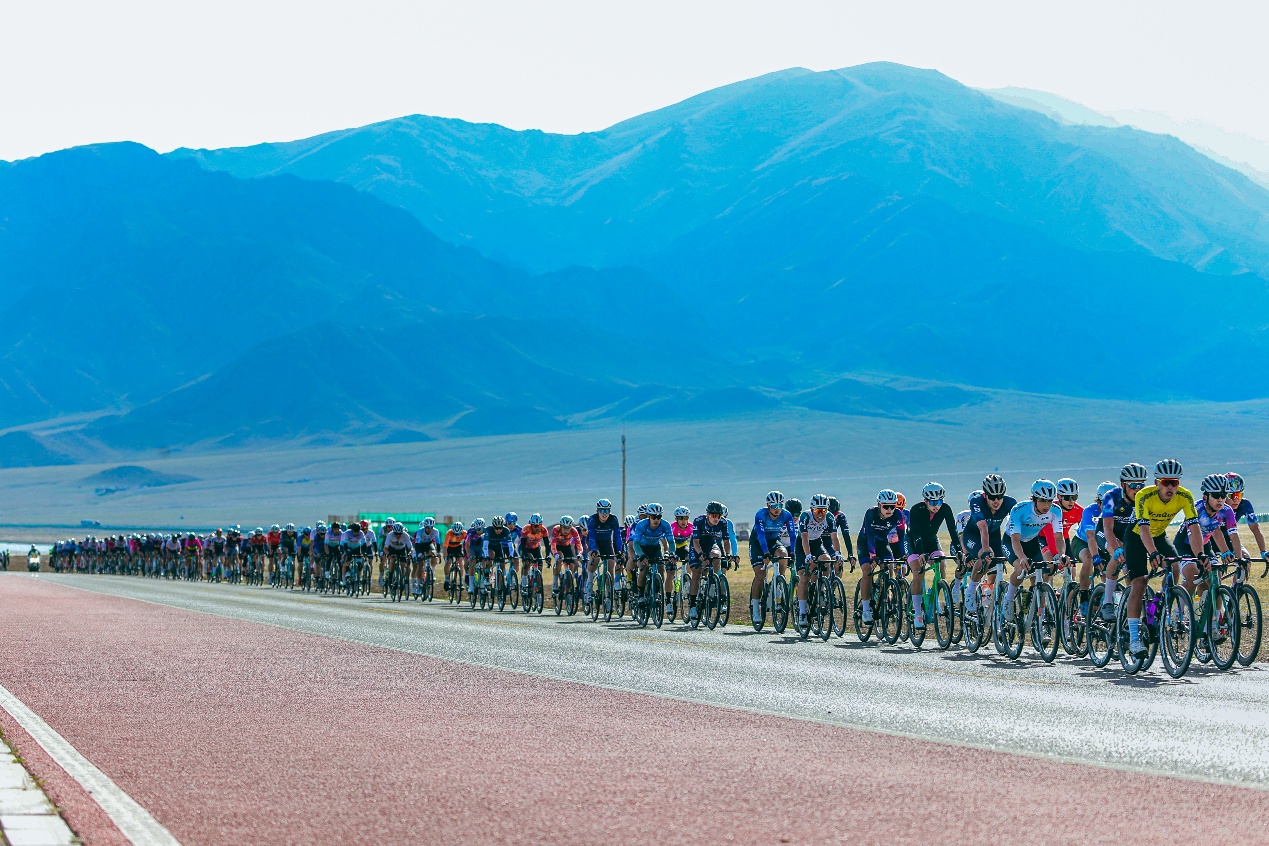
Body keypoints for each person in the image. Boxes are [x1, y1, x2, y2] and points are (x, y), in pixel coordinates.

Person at [1123, 459, 1202, 657]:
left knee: (1175, 567)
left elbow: (1194, 528)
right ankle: (1134, 639)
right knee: (1140, 582)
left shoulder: (1185, 496)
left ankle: (1159, 604)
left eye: (1174, 483)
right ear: (1157, 482)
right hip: (1136, 536)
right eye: (1166, 482)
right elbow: (1143, 529)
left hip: (1159, 535)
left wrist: (1200, 555)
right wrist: (1153, 553)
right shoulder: (1144, 495)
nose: (1170, 487)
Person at [1001, 480, 1065, 616]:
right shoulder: (1020, 509)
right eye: (1042, 501)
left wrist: (1061, 555)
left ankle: (1035, 610)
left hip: (1032, 541)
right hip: (1011, 541)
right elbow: (1015, 539)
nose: (1046, 505)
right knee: (1020, 568)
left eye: (1049, 501)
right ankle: (1009, 598)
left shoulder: (1056, 510)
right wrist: (1022, 558)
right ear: (1034, 499)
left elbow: (1059, 537)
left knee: (1039, 575)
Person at [906, 483, 961, 629]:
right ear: (925, 501)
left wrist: (959, 550)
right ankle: (918, 614)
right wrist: (920, 553)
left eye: (940, 501)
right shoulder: (916, 509)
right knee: (919, 572)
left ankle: (936, 595)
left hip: (931, 541)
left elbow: (953, 531)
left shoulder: (945, 509)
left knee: (941, 563)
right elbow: (916, 534)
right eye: (933, 502)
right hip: (913, 542)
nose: (937, 506)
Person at [1099, 463, 1150, 622]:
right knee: (1117, 554)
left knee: (1132, 573)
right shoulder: (1111, 497)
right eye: (1133, 485)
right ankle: (1107, 602)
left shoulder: (1144, 499)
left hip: (1127, 535)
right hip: (1106, 532)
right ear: (1123, 485)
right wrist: (1116, 548)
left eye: (1141, 485)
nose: (1138, 489)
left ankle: (1128, 612)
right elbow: (1107, 528)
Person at [856, 489, 909, 624]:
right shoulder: (871, 513)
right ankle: (866, 609)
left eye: (893, 506)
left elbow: (901, 537)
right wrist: (873, 556)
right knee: (867, 570)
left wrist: (904, 555)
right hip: (866, 543)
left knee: (890, 566)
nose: (890, 509)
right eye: (886, 506)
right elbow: (870, 536)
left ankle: (883, 592)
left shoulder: (898, 514)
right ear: (879, 505)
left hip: (882, 543)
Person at [749, 491, 798, 623]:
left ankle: (779, 582)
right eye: (774, 506)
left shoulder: (786, 515)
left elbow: (793, 535)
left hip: (773, 540)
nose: (777, 509)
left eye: (780, 506)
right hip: (758, 543)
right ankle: (755, 609)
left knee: (783, 554)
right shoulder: (761, 514)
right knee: (760, 574)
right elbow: (760, 536)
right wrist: (766, 553)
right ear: (768, 505)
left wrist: (792, 552)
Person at [798, 494, 839, 629]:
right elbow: (804, 538)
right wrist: (808, 555)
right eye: (818, 510)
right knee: (805, 576)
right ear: (812, 509)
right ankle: (802, 612)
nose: (821, 514)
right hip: (802, 545)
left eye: (824, 510)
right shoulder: (805, 516)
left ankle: (821, 587)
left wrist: (837, 553)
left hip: (816, 543)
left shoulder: (829, 517)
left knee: (827, 560)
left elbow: (834, 537)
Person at [689, 501, 733, 623]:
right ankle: (692, 605)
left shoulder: (723, 522)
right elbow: (695, 542)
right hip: (697, 544)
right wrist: (700, 554)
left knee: (717, 556)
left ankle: (713, 583)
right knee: (697, 571)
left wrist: (728, 554)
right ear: (708, 514)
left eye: (718, 516)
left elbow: (726, 541)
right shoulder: (699, 521)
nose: (716, 518)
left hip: (710, 543)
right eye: (713, 515)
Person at [1225, 473, 1267, 563]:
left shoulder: (1245, 504)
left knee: (1246, 560)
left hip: (1229, 538)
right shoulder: (1217, 505)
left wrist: (1263, 551)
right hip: (1210, 539)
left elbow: (1255, 528)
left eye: (1239, 495)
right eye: (1231, 495)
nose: (1236, 499)